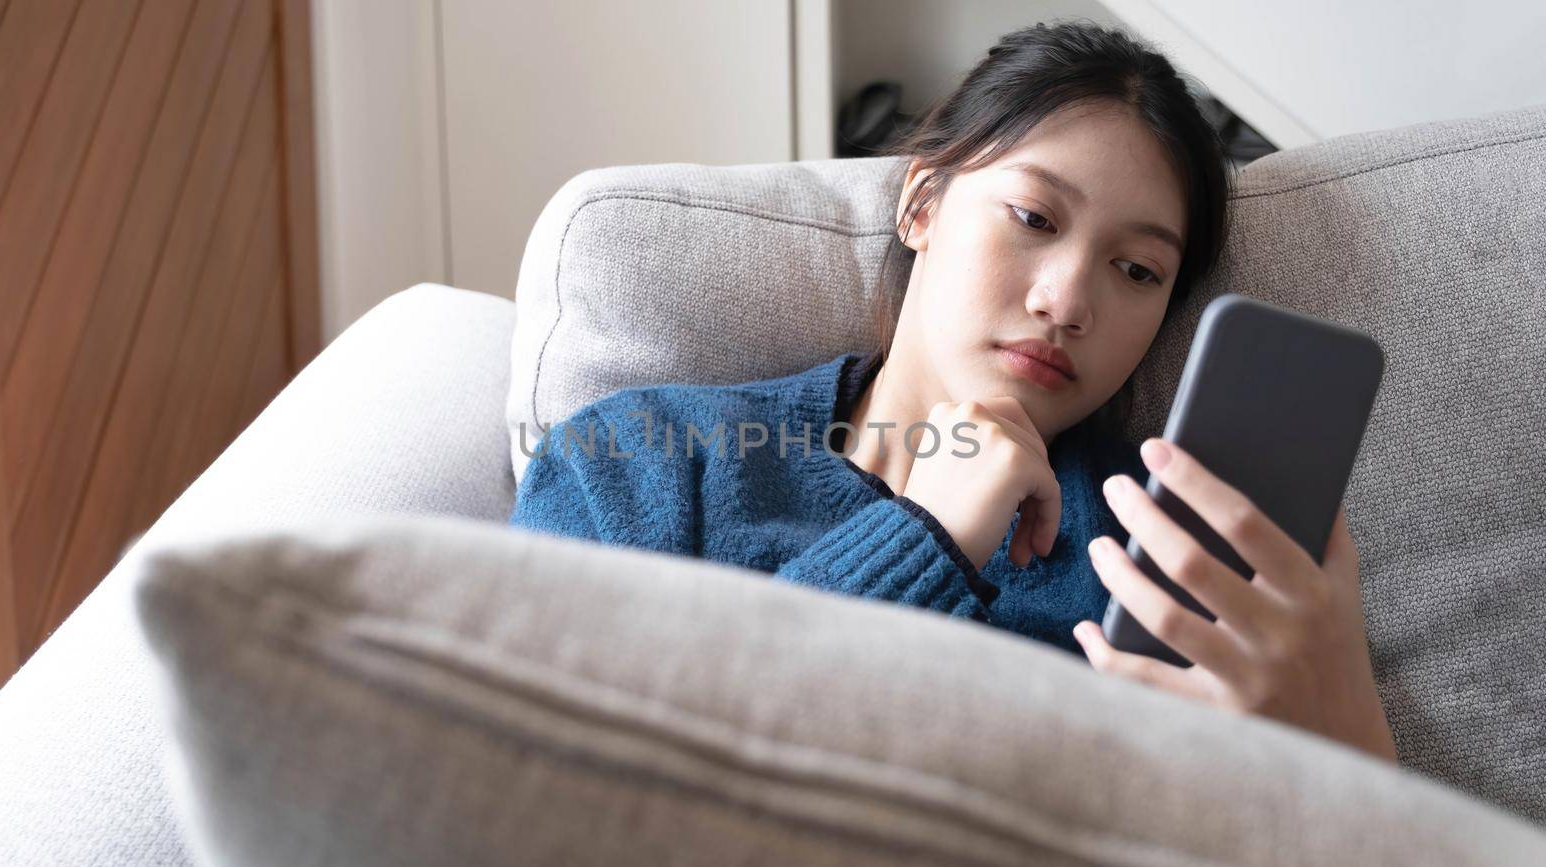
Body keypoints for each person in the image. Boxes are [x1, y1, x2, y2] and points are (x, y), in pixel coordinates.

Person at [509, 21, 1398, 764]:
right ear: (922, 204)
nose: (1066, 301)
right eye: (1034, 218)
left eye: (1136, 269)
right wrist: (925, 538)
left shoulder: (1156, 558)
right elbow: (556, 784)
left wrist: (1345, 718)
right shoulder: (643, 456)